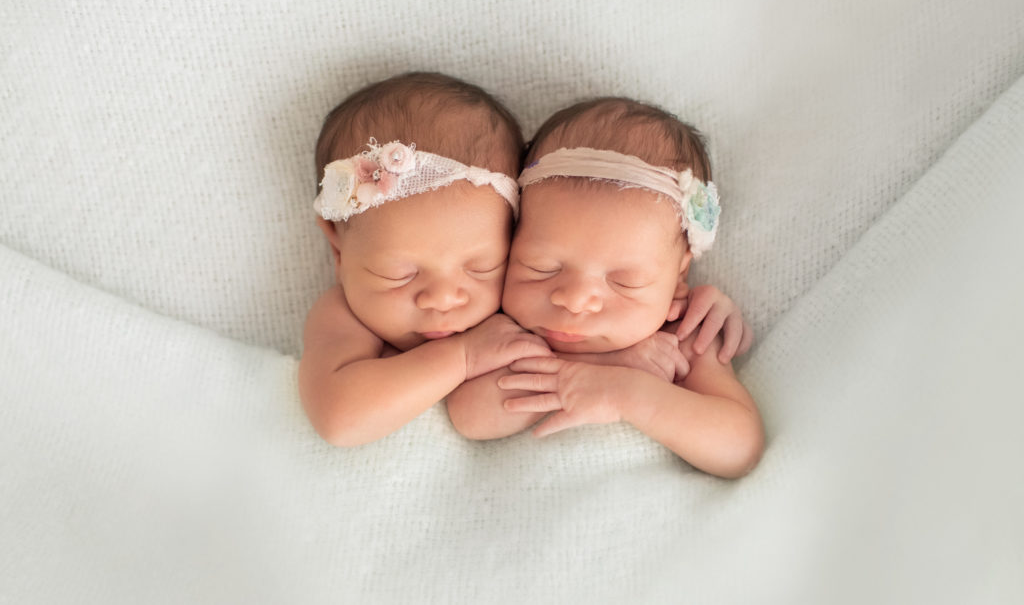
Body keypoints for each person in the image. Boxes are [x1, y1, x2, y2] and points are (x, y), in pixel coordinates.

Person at [446, 98, 763, 478]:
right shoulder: (509, 332)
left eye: (623, 281)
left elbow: (739, 447)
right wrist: (602, 367)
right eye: (541, 268)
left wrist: (626, 393)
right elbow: (469, 415)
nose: (575, 300)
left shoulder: (681, 335)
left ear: (678, 276)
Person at [298, 72, 552, 446]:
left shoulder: (518, 304)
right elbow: (338, 419)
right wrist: (462, 357)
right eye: (399, 274)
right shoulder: (345, 318)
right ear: (338, 249)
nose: (444, 298)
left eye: (480, 268)